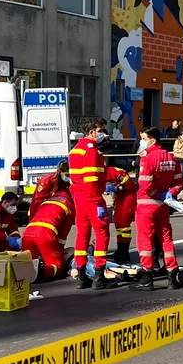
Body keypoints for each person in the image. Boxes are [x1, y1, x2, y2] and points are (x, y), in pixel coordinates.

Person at [133, 126, 183, 290]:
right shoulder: (171, 158)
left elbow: (145, 185)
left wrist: (157, 194)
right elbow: (179, 183)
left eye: (144, 139)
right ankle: (172, 276)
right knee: (166, 239)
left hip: (146, 205)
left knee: (145, 240)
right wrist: (168, 194)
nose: (142, 142)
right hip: (162, 206)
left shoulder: (147, 158)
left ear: (152, 140)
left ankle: (147, 278)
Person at [68, 118, 115, 289]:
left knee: (82, 234)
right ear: (92, 132)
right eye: (100, 130)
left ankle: (82, 275)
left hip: (79, 197)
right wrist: (97, 202)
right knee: (102, 233)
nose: (103, 134)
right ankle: (99, 276)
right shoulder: (91, 150)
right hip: (91, 197)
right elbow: (91, 179)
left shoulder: (75, 150)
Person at [20, 190, 75, 282]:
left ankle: (22, 273)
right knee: (57, 266)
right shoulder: (69, 206)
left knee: (29, 262)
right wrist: (59, 251)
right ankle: (42, 270)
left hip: (27, 234)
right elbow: (63, 235)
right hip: (45, 234)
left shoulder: (47, 201)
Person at [106, 163, 137, 265]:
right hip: (119, 199)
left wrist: (117, 187)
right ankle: (120, 250)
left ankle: (124, 252)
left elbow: (128, 184)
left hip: (127, 198)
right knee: (118, 224)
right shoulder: (101, 173)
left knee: (123, 225)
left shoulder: (115, 171)